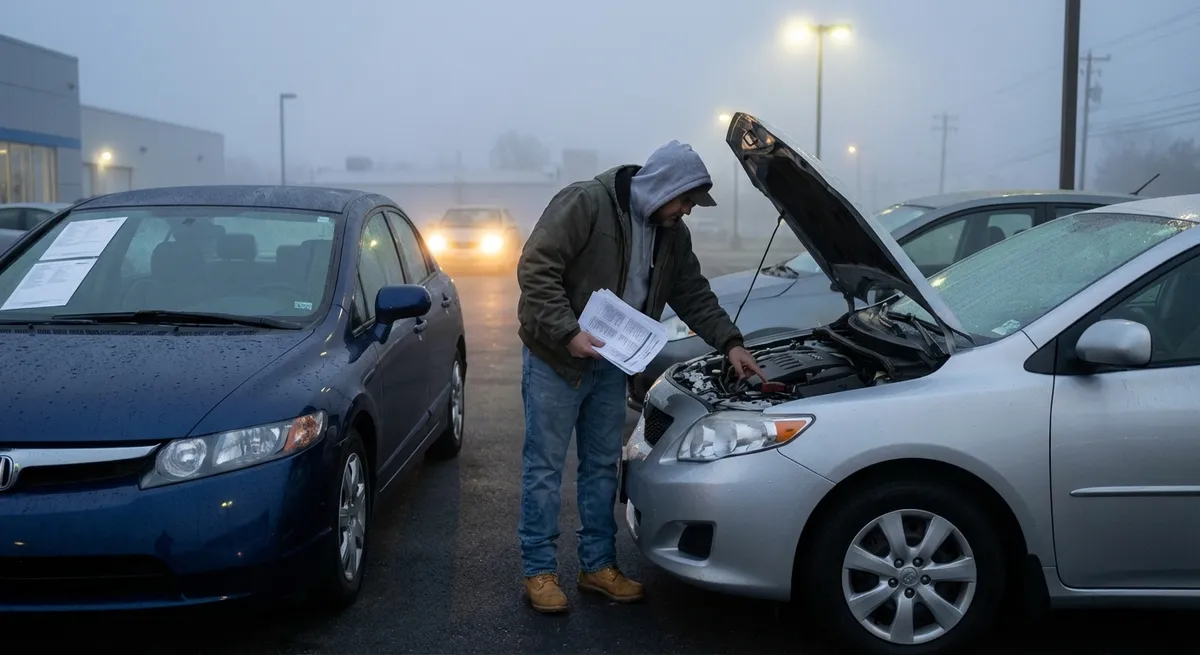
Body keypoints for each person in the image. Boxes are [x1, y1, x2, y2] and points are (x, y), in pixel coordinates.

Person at [515, 140, 767, 613]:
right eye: (685, 201)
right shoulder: (586, 202)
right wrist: (568, 333)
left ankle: (597, 565)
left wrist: (731, 343)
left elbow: (692, 293)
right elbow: (535, 267)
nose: (687, 212)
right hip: (557, 358)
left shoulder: (672, 233)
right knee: (544, 469)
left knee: (600, 467)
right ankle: (539, 571)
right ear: (664, 187)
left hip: (612, 361)